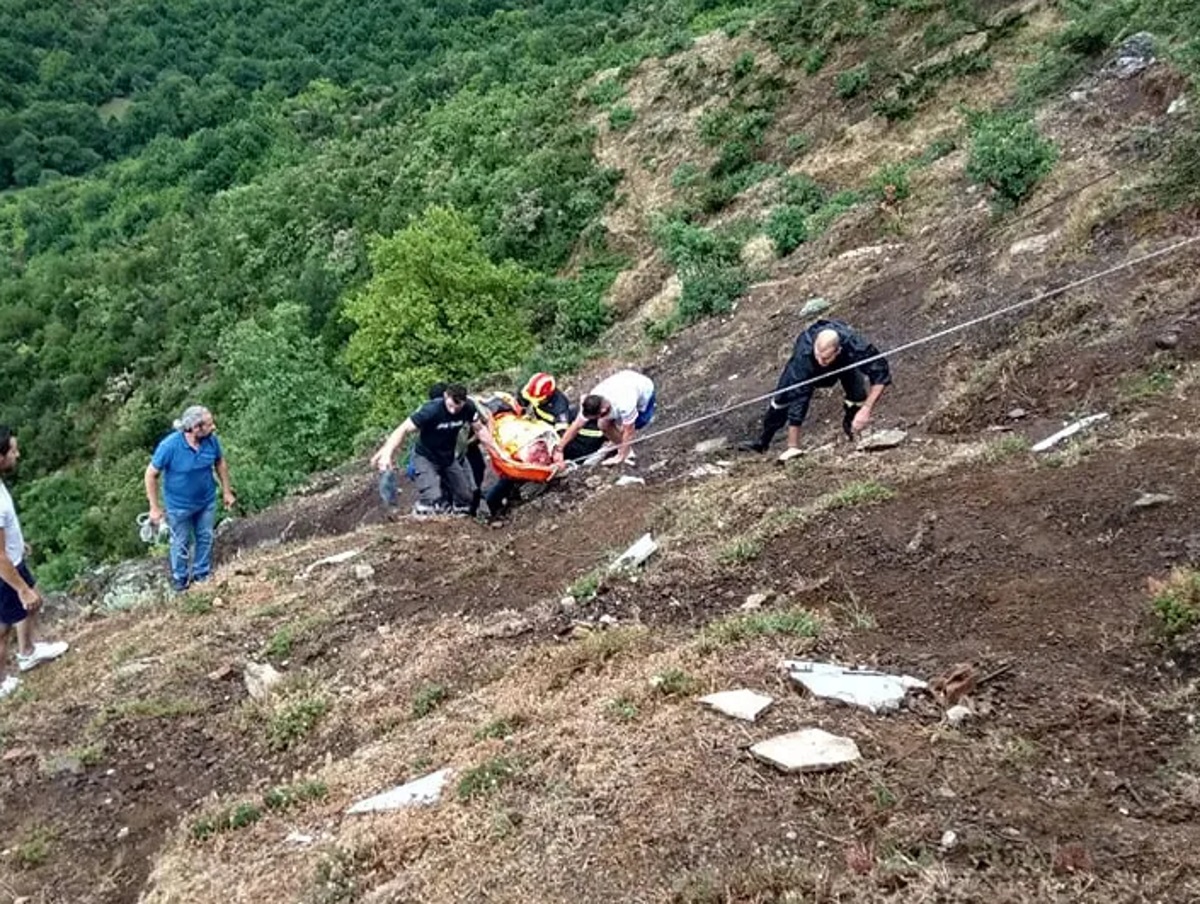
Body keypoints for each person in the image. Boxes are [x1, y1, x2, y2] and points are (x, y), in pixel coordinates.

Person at [740, 319, 891, 462]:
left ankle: (853, 432)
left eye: (825, 358)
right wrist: (793, 446)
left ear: (838, 350)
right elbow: (799, 396)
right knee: (782, 400)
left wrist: (866, 409)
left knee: (857, 394)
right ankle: (763, 441)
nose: (821, 361)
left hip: (844, 365)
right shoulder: (804, 353)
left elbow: (880, 372)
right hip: (805, 371)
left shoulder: (855, 344)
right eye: (818, 355)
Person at [1, 425, 70, 700]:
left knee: (34, 602)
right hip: (5, 570)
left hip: (14, 558)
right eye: (13, 450)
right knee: (4, 627)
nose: (18, 454)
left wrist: (19, 542)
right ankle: (4, 679)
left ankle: (28, 652)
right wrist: (20, 588)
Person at [145, 406, 236, 592]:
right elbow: (150, 474)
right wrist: (154, 508)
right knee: (181, 542)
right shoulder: (169, 446)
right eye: (210, 425)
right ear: (196, 428)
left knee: (205, 536)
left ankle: (202, 575)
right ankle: (180, 580)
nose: (214, 427)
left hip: (206, 501)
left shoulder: (212, 441)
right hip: (179, 507)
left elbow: (220, 462)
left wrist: (227, 491)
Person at [371, 383, 497, 516]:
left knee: (466, 496)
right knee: (433, 496)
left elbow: (480, 429)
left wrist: (496, 451)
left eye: (457, 407)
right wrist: (387, 452)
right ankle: (420, 516)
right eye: (450, 406)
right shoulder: (431, 410)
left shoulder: (469, 408)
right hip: (426, 457)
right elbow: (403, 429)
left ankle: (458, 520)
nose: (453, 411)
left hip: (448, 457)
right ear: (445, 396)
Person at [482, 373, 571, 519]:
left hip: (543, 436)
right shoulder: (532, 392)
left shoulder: (560, 408)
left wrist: (557, 452)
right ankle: (491, 506)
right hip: (527, 432)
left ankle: (496, 504)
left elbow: (561, 435)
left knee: (512, 476)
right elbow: (521, 403)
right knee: (509, 475)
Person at [560, 369, 656, 467]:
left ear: (602, 411)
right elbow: (576, 426)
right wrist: (559, 449)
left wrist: (620, 457)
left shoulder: (625, 404)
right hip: (624, 380)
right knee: (602, 424)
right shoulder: (593, 399)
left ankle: (623, 453)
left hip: (644, 393)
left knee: (632, 425)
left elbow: (629, 431)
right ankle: (626, 451)